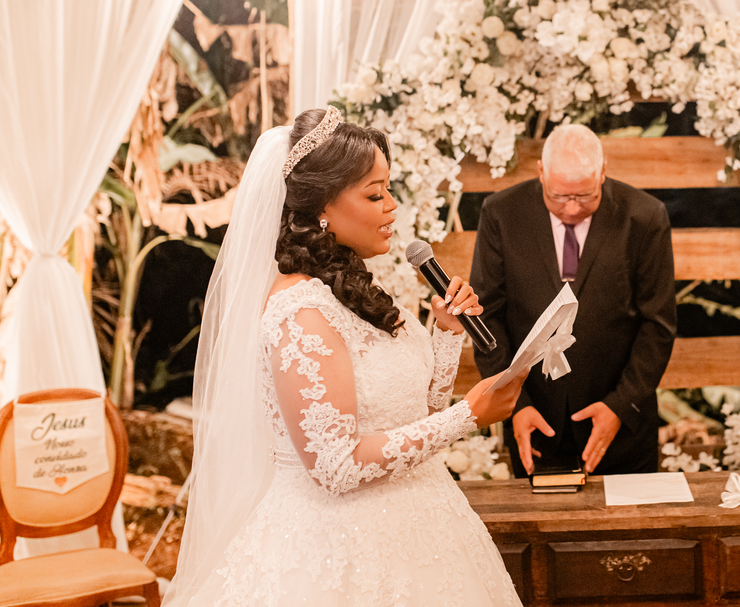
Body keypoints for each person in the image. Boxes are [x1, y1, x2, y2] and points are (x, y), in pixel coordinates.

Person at [165, 107, 525, 607]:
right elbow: (334, 468)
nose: (392, 207)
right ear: (321, 209)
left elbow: (411, 418)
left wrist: (446, 333)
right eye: (375, 194)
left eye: (390, 189)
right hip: (338, 549)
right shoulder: (300, 312)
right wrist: (469, 417)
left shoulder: (354, 291)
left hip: (423, 525)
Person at [471, 124, 676, 477]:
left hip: (623, 421)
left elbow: (658, 324)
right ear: (540, 174)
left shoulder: (645, 217)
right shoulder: (501, 214)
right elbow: (485, 316)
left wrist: (621, 405)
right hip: (534, 419)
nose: (569, 209)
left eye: (583, 197)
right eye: (558, 197)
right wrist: (515, 403)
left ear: (603, 173)